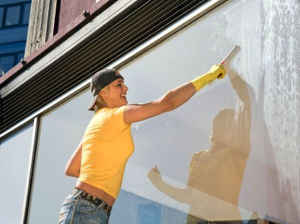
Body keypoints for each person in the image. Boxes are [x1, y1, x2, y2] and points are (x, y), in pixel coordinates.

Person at [58, 64, 226, 224]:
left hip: (90, 208)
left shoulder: (97, 123)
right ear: (103, 92)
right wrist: (209, 76)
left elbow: (71, 168)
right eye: (119, 85)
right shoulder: (112, 116)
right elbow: (167, 103)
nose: (126, 89)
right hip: (86, 209)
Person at [148, 70, 252, 223]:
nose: (231, 126)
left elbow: (246, 110)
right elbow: (188, 196)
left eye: (233, 124)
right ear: (214, 128)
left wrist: (234, 77)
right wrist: (159, 183)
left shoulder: (235, 153)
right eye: (226, 122)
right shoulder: (197, 157)